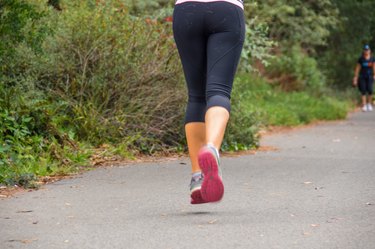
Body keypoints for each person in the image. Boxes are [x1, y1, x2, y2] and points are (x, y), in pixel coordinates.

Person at [172, 0, 245, 204]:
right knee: (218, 91)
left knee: (196, 95)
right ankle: (211, 147)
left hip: (187, 11)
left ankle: (198, 177)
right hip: (227, 10)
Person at [353, 44, 375, 112]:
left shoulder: (372, 59)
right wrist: (355, 78)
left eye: (367, 50)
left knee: (370, 90)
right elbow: (357, 68)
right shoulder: (361, 59)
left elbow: (374, 67)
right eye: (365, 50)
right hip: (362, 76)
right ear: (364, 51)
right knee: (363, 90)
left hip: (370, 76)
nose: (366, 51)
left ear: (369, 51)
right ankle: (364, 105)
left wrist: (374, 75)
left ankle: (369, 104)